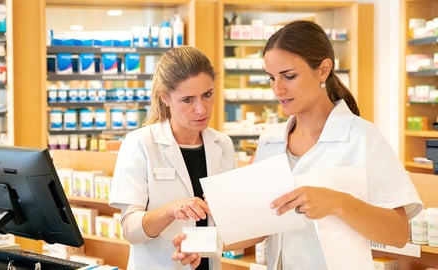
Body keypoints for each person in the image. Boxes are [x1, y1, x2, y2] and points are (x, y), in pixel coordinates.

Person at [172, 20, 423, 269]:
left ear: (323, 70)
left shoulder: (362, 138)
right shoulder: (271, 141)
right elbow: (262, 225)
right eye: (271, 78)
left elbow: (398, 232)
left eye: (289, 76)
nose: (278, 89)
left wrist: (337, 202)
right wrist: (201, 246)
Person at [109, 46, 236, 270]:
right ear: (165, 98)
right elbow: (130, 230)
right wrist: (171, 211)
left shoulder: (222, 144)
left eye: (207, 95)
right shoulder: (140, 143)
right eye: (188, 100)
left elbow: (228, 224)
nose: (201, 109)